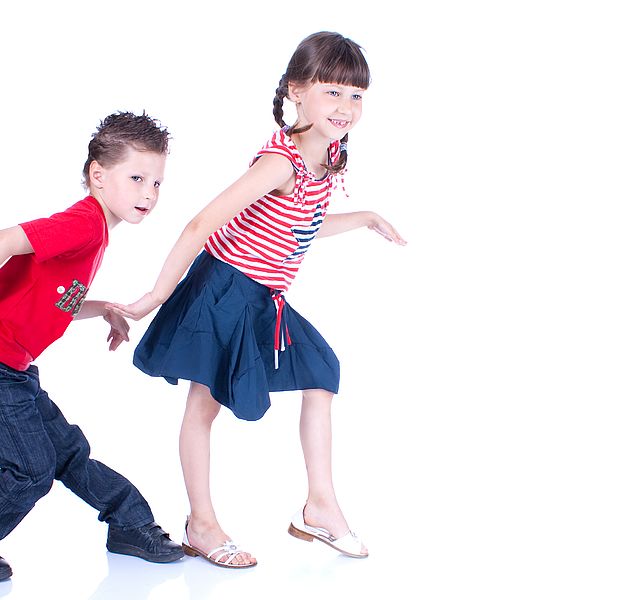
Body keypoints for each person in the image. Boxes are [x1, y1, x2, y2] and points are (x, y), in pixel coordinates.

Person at [107, 31, 406, 568]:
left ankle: (320, 505)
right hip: (222, 291)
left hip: (263, 298)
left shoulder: (329, 155)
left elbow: (299, 227)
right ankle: (202, 524)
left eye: (355, 95)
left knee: (322, 371)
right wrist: (158, 293)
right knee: (205, 406)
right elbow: (202, 222)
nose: (345, 107)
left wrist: (362, 218)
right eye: (331, 92)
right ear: (296, 90)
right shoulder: (281, 162)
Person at [0, 112, 184, 582]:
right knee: (30, 470)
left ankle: (129, 523)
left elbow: (57, 297)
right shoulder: (83, 223)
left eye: (157, 182)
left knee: (65, 453)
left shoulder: (98, 231)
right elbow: (5, 241)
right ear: (98, 176)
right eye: (137, 178)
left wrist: (100, 307)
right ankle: (128, 521)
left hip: (16, 369)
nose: (149, 193)